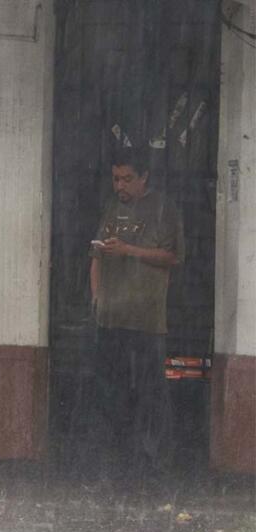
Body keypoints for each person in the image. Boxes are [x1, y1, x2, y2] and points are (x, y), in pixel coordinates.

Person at [88, 147, 184, 488]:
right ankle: (112, 468)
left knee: (150, 394)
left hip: (146, 320)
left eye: (127, 179)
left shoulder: (163, 209)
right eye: (116, 179)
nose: (120, 186)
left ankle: (154, 468)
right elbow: (96, 256)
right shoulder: (113, 208)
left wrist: (129, 250)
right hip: (111, 318)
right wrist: (97, 296)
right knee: (110, 394)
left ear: (144, 177)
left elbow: (172, 256)